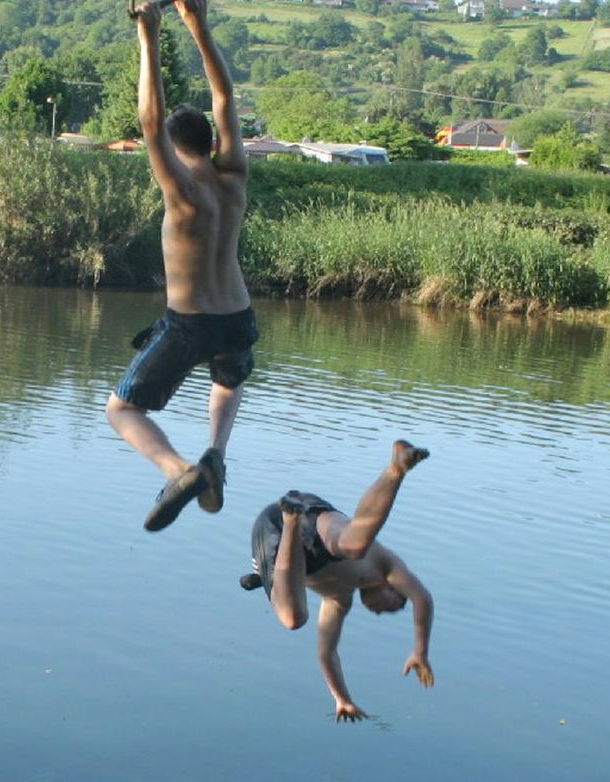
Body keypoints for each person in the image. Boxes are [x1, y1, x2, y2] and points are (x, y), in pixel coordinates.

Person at [107, 0, 256, 532]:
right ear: (210, 140)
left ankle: (180, 471)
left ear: (174, 146)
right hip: (237, 316)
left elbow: (149, 119)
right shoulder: (234, 175)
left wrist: (148, 33)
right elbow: (224, 95)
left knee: (122, 411)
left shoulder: (182, 187)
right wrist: (198, 24)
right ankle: (216, 451)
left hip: (189, 322)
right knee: (229, 377)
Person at [241, 440, 436, 722]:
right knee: (356, 546)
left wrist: (342, 699)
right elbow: (422, 598)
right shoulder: (388, 566)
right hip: (309, 515)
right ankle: (396, 468)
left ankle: (291, 523)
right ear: (393, 588)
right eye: (393, 606)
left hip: (283, 542)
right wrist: (420, 651)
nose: (381, 612)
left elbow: (327, 654)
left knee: (293, 619)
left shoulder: (339, 601)